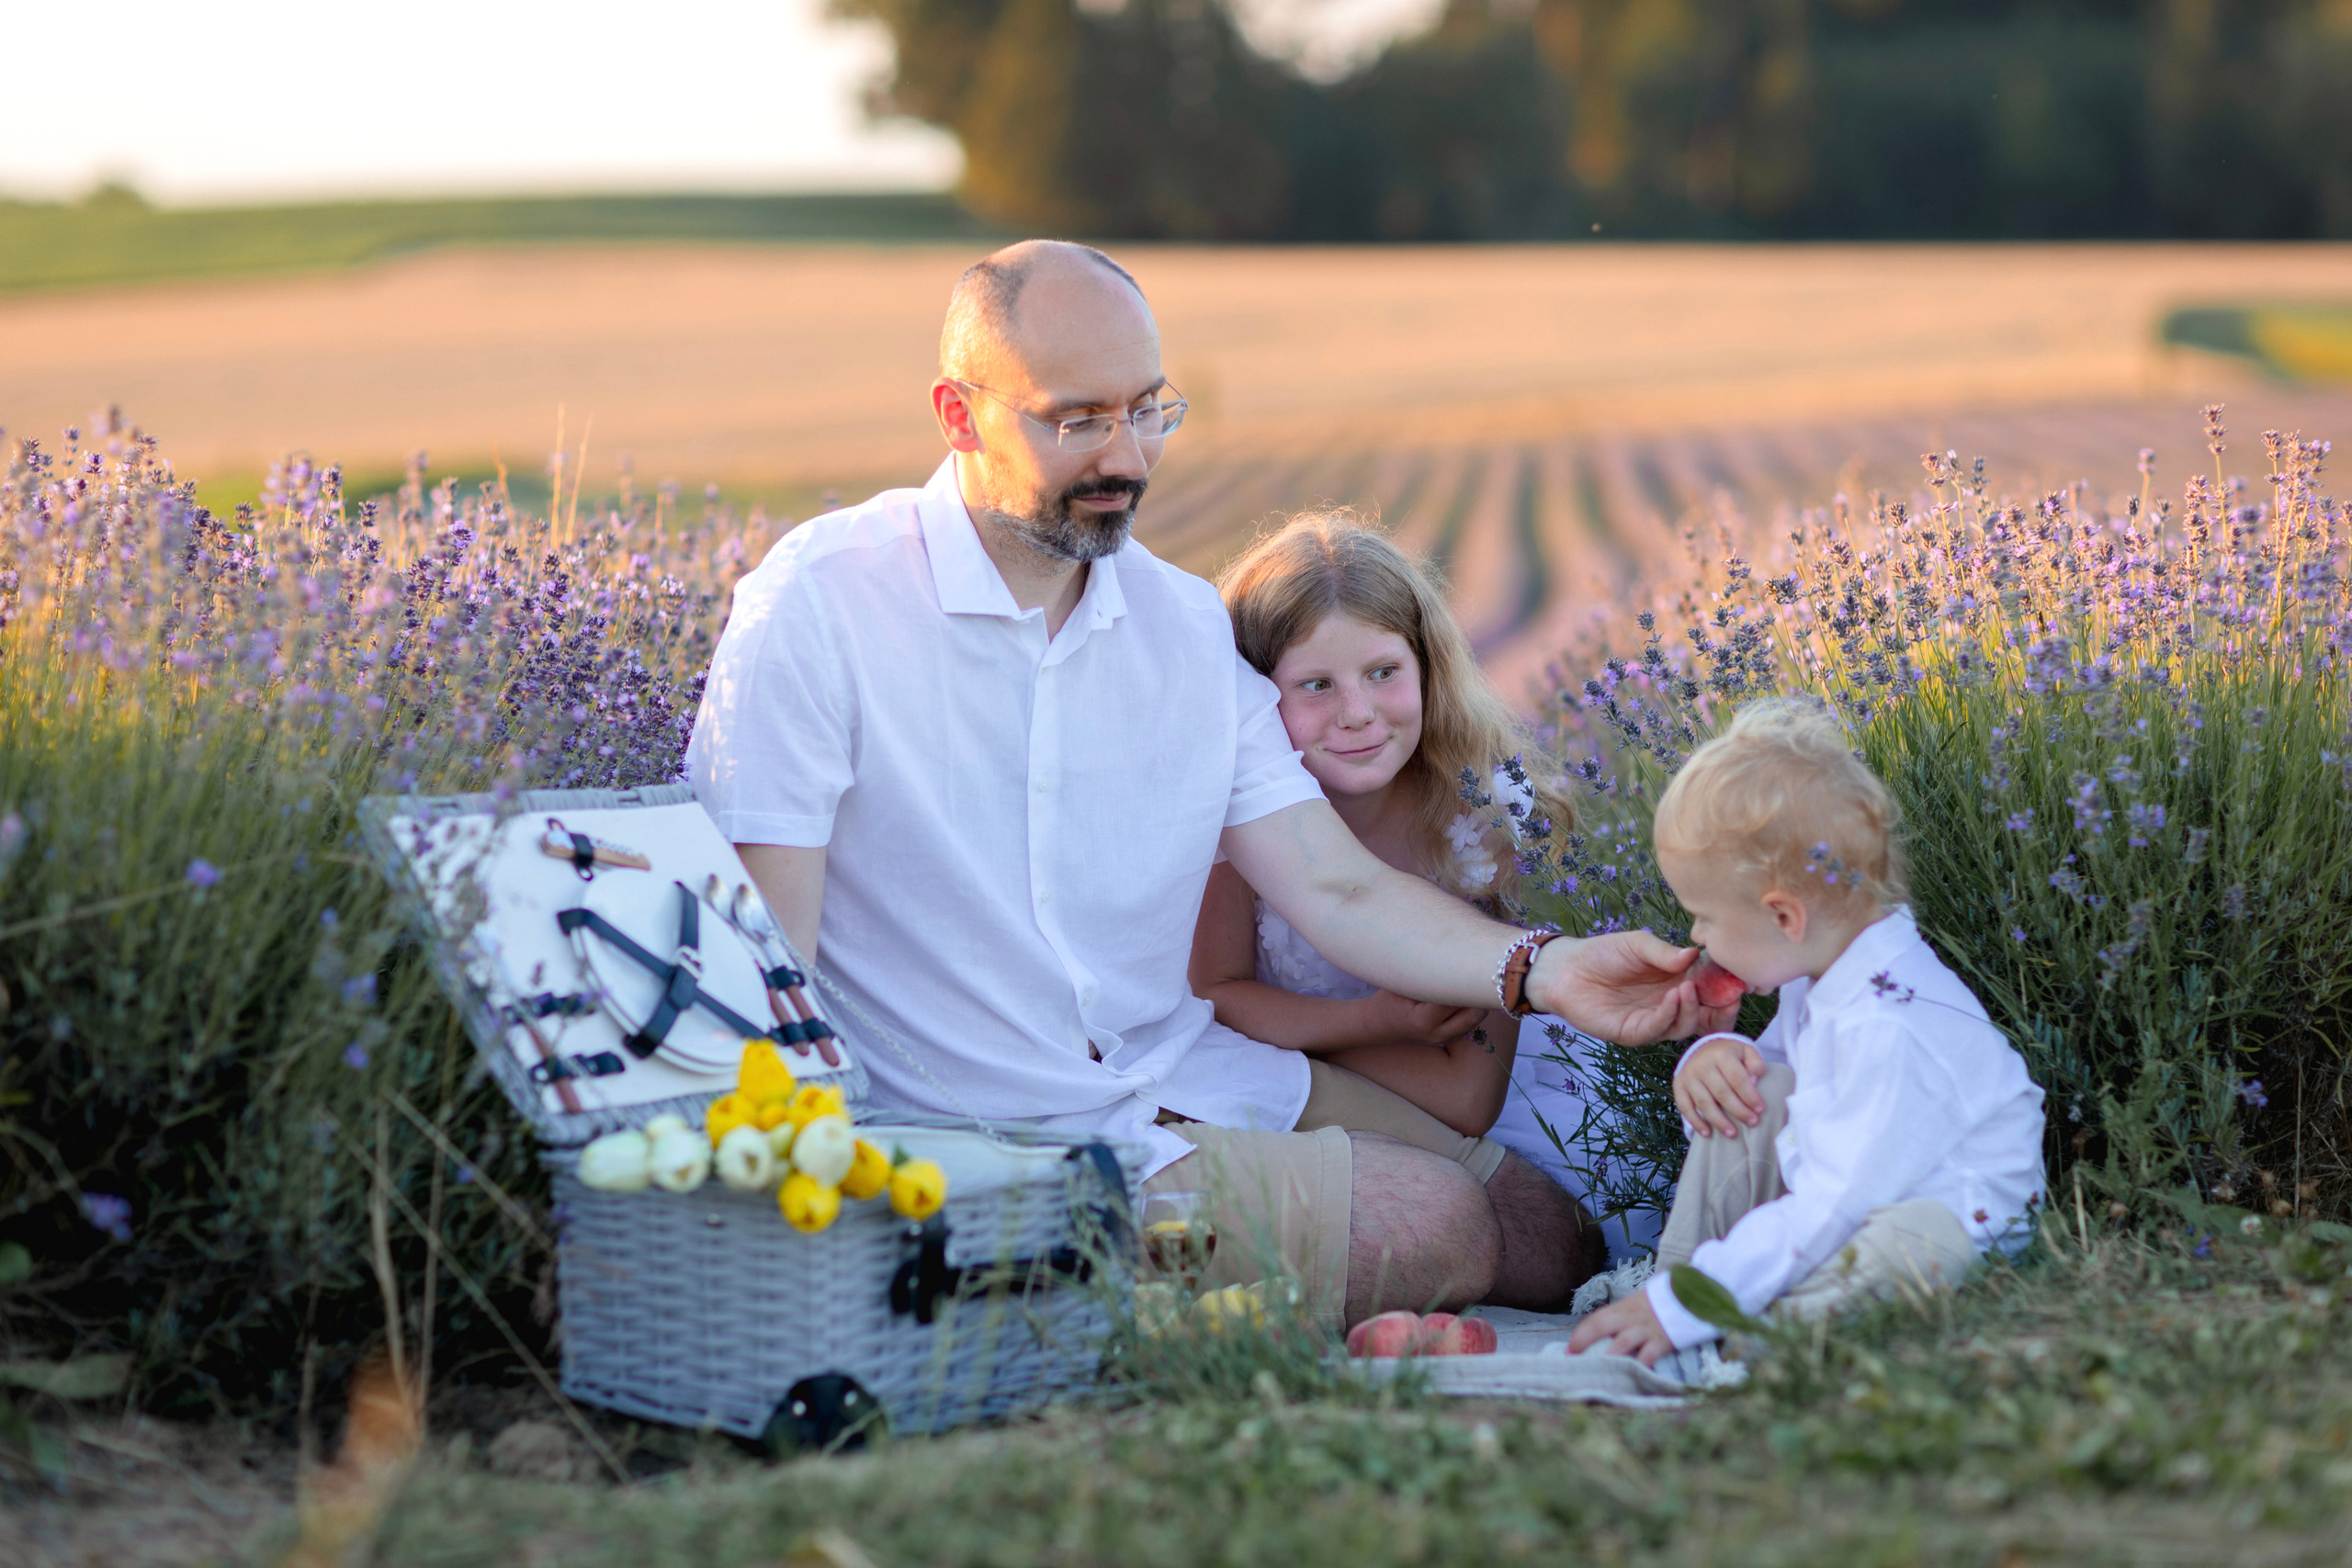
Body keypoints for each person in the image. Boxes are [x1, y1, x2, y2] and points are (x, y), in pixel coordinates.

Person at [685, 239, 1733, 1332]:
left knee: (1539, 1227)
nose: (1125, 457)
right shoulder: (821, 604)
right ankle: (1003, 1290)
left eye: (1148, 410)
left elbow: (1336, 889)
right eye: (1075, 419)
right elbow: (765, 956)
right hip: (982, 1123)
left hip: (1175, 1068)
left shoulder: (1181, 628)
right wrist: (797, 1209)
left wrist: (1550, 970)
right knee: (1439, 1228)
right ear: (959, 415)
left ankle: (1112, 1292)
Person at [1189, 512, 1649, 1290]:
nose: (1358, 713)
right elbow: (1218, 996)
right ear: (1253, 700)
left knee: (1553, 1243)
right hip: (1293, 1085)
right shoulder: (1236, 832)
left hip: (1494, 1106)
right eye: (1314, 686)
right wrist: (1378, 1021)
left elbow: (1466, 1097)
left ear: (1429, 669)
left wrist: (1297, 1033)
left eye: (1382, 672)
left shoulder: (1484, 819)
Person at [1568, 699, 2046, 1364]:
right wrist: (1714, 1056)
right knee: (1747, 1096)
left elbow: (1835, 1203)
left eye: (1703, 916)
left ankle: (1762, 1334)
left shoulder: (1890, 1023)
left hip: (1949, 1212)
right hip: (1847, 1190)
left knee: (1901, 1249)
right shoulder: (1818, 974)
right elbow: (1778, 1085)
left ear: (1785, 917)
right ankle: (1672, 1285)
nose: (1697, 937)